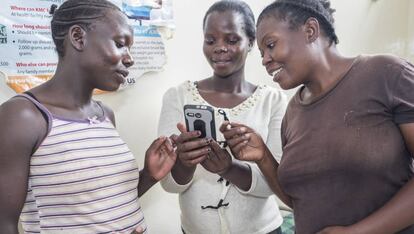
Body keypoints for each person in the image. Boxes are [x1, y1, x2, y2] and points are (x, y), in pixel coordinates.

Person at [220, 0, 414, 233]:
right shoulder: (292, 114)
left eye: (270, 45)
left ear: (310, 30)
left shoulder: (386, 74)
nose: (264, 60)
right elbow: (302, 201)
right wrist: (263, 157)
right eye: (261, 53)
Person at [0, 0, 176, 233]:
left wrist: (149, 176)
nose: (130, 58)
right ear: (78, 37)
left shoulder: (105, 115)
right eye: (120, 44)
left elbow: (99, 207)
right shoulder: (23, 116)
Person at [157, 0, 288, 233]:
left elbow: (277, 184)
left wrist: (229, 169)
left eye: (232, 39)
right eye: (210, 40)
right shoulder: (178, 97)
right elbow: (168, 184)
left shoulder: (273, 101)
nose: (219, 47)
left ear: (250, 43)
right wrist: (184, 164)